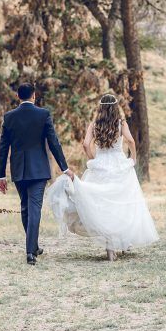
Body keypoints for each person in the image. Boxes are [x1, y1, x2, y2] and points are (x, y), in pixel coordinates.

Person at [47, 93, 158, 261]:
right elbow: (131, 141)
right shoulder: (121, 123)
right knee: (121, 205)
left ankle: (110, 247)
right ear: (115, 108)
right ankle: (122, 242)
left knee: (100, 206)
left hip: (100, 165)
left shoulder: (94, 124)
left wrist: (93, 158)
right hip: (119, 164)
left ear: (100, 107)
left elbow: (85, 144)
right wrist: (133, 158)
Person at [0, 83, 74, 265]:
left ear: (18, 96)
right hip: (39, 169)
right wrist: (64, 167)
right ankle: (31, 251)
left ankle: (33, 247)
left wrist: (1, 175)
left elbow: (3, 148)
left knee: (25, 207)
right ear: (34, 96)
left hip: (18, 169)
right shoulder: (43, 114)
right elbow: (54, 142)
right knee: (33, 209)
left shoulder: (9, 117)